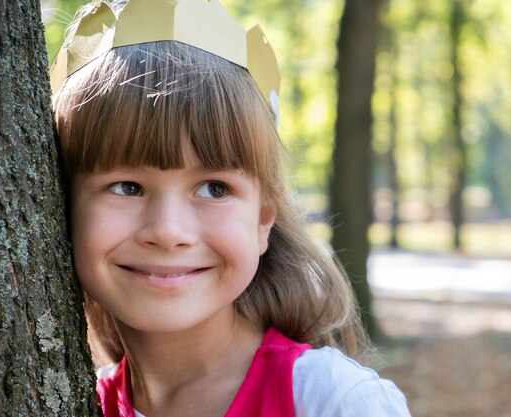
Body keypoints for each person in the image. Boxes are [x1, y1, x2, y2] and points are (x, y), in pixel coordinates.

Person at [51, 0, 412, 416]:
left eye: (214, 189)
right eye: (127, 186)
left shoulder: (333, 401)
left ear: (263, 219)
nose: (168, 231)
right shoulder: (76, 404)